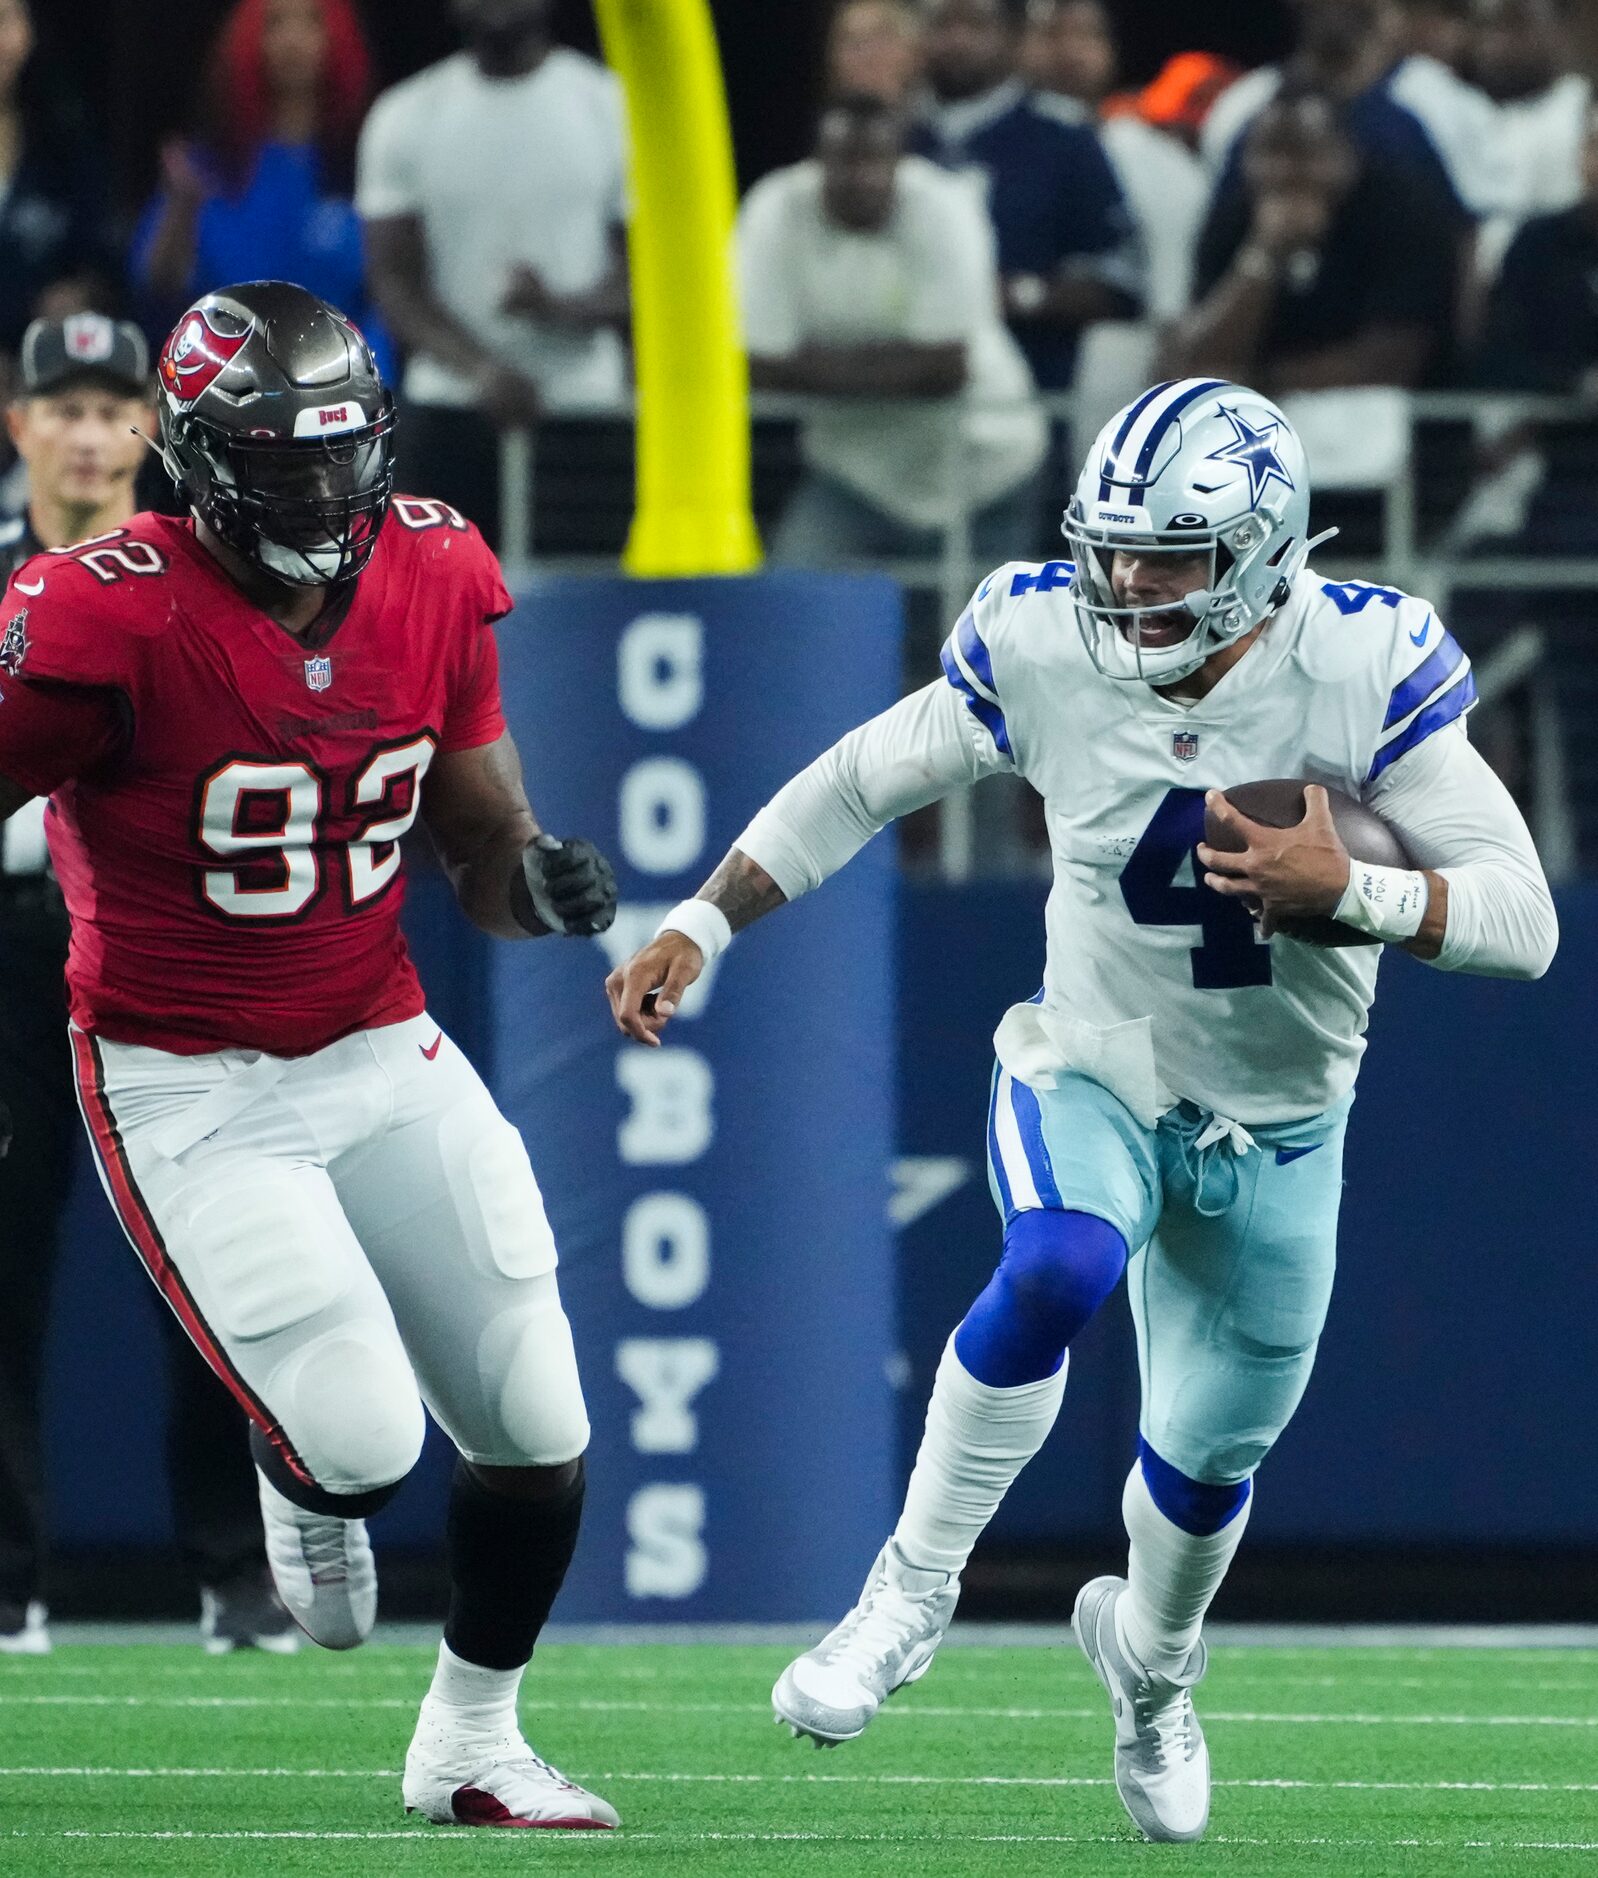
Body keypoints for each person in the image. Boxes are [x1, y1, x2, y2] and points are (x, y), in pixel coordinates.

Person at [607, 375, 1556, 1844]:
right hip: (1094, 1059)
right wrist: (705, 921)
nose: (1129, 582)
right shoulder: (1041, 633)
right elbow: (865, 776)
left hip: (1287, 1121)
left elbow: (1522, 917)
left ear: (1260, 544)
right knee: (1056, 1260)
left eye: (1168, 554)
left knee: (1198, 1472)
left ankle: (1153, 1674)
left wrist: (1351, 890)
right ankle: (907, 1594)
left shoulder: (1361, 662)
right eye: (1113, 548)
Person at [0, 280, 621, 1830]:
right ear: (198, 460)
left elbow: (481, 843)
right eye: (283, 464)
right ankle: (307, 1476)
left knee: (541, 1426)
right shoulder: (102, 607)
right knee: (360, 1444)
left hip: (373, 1038)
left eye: (343, 459)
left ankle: (472, 1739)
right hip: (180, 1074)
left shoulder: (432, 563)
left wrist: (531, 884)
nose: (325, 499)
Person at [0, 316, 296, 1659]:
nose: (81, 429)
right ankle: (9, 1581)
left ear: (149, 429)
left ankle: (236, 1574)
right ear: (18, 423)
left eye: (110, 402)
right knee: (6, 1260)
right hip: (12, 929)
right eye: (56, 403)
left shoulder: (200, 574)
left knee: (211, 1250)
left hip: (161, 927)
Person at [358, 0, 628, 548]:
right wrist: (483, 371)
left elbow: (653, 273)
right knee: (441, 602)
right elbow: (394, 283)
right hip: (450, 406)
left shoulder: (612, 106)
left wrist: (559, 308)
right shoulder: (404, 115)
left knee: (582, 599)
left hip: (583, 404)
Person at [740, 95, 1047, 568]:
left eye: (875, 160)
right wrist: (900, 366)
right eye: (844, 160)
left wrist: (812, 366)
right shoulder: (773, 209)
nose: (860, 176)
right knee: (797, 604)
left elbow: (945, 369)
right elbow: (757, 366)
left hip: (984, 467)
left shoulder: (945, 205)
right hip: (855, 475)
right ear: (817, 162)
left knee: (978, 637)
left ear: (899, 163)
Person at [131, 0, 392, 379]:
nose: (293, 40)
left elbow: (385, 299)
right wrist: (181, 208)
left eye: (311, 23)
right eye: (275, 24)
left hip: (341, 395)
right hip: (224, 388)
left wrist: (367, 383)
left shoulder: (364, 163)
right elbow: (157, 291)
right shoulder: (206, 167)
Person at [908, 0, 1142, 391]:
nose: (957, 40)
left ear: (1013, 35)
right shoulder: (891, 140)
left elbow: (1119, 282)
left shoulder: (1065, 139)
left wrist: (1019, 294)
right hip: (900, 398)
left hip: (1032, 393)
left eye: (974, 24)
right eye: (942, 23)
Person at [1166, 88, 1459, 395]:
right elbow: (1196, 360)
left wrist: (1259, 384)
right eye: (1269, 152)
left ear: (1346, 154)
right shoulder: (1235, 215)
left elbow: (1393, 362)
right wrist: (1263, 256)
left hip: (1391, 415)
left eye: (1302, 153)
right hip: (1256, 408)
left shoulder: (1403, 212)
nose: (1284, 172)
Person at [1022, 0, 1209, 322]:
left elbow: (1173, 280)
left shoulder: (1153, 156)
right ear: (1019, 45)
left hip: (1128, 348)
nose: (1070, 50)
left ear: (1112, 49)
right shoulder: (993, 151)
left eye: (1088, 35)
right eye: (1052, 33)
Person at [0, 0, 116, 358]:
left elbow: (104, 267)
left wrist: (81, 295)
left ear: (28, 31)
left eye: (4, 19)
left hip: (42, 376)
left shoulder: (64, 143)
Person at [826, 0, 925, 107]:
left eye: (880, 40)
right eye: (853, 43)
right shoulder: (820, 119)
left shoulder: (933, 118)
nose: (865, 56)